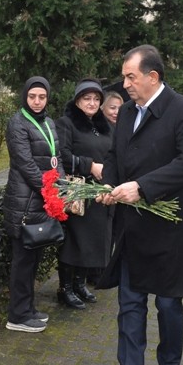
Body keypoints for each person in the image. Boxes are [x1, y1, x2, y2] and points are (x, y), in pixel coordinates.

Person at [92, 45, 183, 365]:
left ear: (152, 77)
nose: (125, 83)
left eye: (131, 76)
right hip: (133, 228)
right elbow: (115, 156)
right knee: (130, 303)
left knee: (169, 306)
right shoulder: (127, 112)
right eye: (125, 76)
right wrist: (108, 187)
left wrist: (142, 188)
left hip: (170, 229)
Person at [2, 76, 64, 333]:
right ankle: (16, 317)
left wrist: (59, 183)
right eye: (32, 97)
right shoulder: (17, 124)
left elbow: (55, 157)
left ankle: (27, 309)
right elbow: (25, 163)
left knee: (33, 259)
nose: (37, 101)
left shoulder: (48, 123)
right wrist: (49, 189)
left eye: (42, 97)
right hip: (25, 202)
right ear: (24, 97)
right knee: (23, 261)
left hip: (41, 200)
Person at [55, 79, 112, 309]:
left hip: (99, 193)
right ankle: (65, 288)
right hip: (78, 192)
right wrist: (90, 166)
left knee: (92, 242)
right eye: (87, 98)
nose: (92, 103)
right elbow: (63, 156)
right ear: (77, 100)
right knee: (75, 242)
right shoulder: (67, 124)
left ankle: (80, 284)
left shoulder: (104, 126)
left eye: (96, 99)